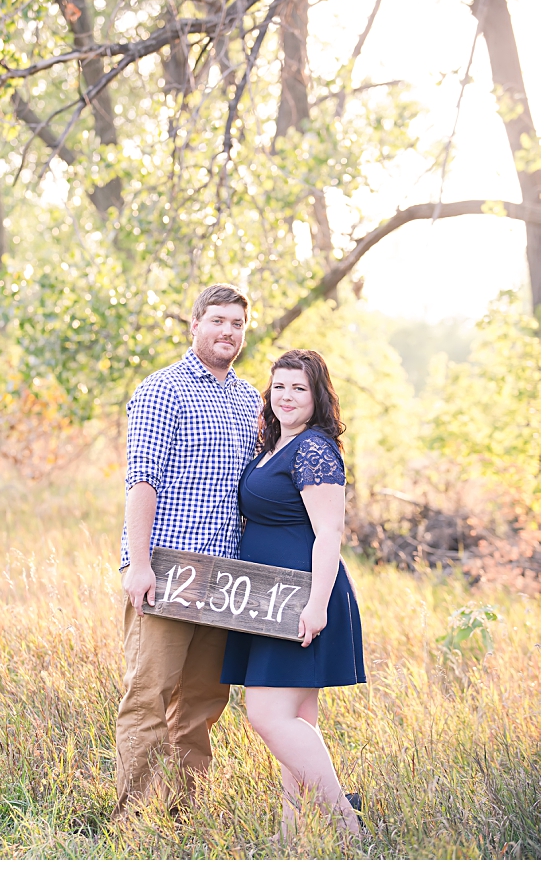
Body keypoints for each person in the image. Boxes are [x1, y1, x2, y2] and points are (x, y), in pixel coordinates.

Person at [114, 284, 264, 818]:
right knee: (148, 695)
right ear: (194, 324)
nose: (228, 332)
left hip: (223, 580)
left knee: (202, 702)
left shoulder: (251, 401)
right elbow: (142, 481)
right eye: (218, 321)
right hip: (168, 570)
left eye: (238, 324)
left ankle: (183, 815)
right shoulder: (163, 390)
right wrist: (138, 563)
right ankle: (134, 820)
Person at [220, 349, 366, 838]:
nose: (287, 396)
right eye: (279, 386)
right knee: (298, 718)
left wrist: (316, 605)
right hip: (270, 597)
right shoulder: (274, 445)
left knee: (266, 714)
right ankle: (294, 832)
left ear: (317, 396)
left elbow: (329, 533)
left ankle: (348, 822)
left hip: (302, 597)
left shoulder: (314, 450)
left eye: (299, 389)